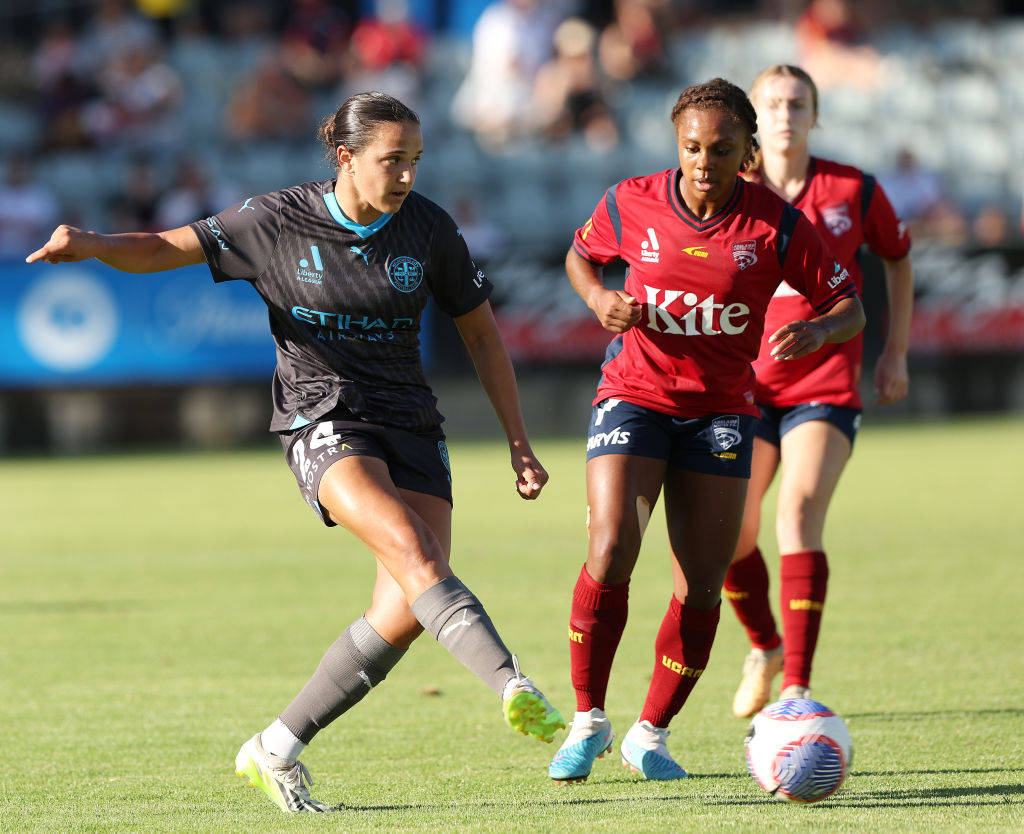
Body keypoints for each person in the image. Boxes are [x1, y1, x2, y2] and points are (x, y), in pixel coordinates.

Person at [27, 91, 564, 814]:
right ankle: (512, 684)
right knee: (414, 553)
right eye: (390, 160)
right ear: (345, 158)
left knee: (404, 610)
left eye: (414, 160)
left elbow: (482, 336)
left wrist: (519, 441)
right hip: (322, 416)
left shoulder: (429, 229)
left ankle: (276, 746)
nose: (405, 175)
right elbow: (166, 247)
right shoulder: (275, 220)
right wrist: (92, 243)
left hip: (410, 421)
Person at [547, 77, 866, 785]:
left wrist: (816, 328)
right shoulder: (631, 200)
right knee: (610, 548)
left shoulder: (776, 225)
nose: (702, 162)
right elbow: (580, 255)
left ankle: (650, 733)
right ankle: (587, 721)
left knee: (700, 584)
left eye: (720, 150)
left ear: (747, 152)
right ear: (676, 145)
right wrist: (599, 295)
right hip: (634, 395)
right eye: (691, 147)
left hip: (723, 413)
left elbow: (850, 307)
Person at [723, 65, 913, 719]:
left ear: (815, 114)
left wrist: (894, 352)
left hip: (823, 383)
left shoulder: (851, 189)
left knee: (797, 514)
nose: (784, 114)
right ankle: (766, 647)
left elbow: (897, 256)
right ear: (752, 115)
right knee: (728, 535)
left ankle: (798, 691)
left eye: (797, 103)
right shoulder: (728, 190)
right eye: (771, 103)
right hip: (741, 388)